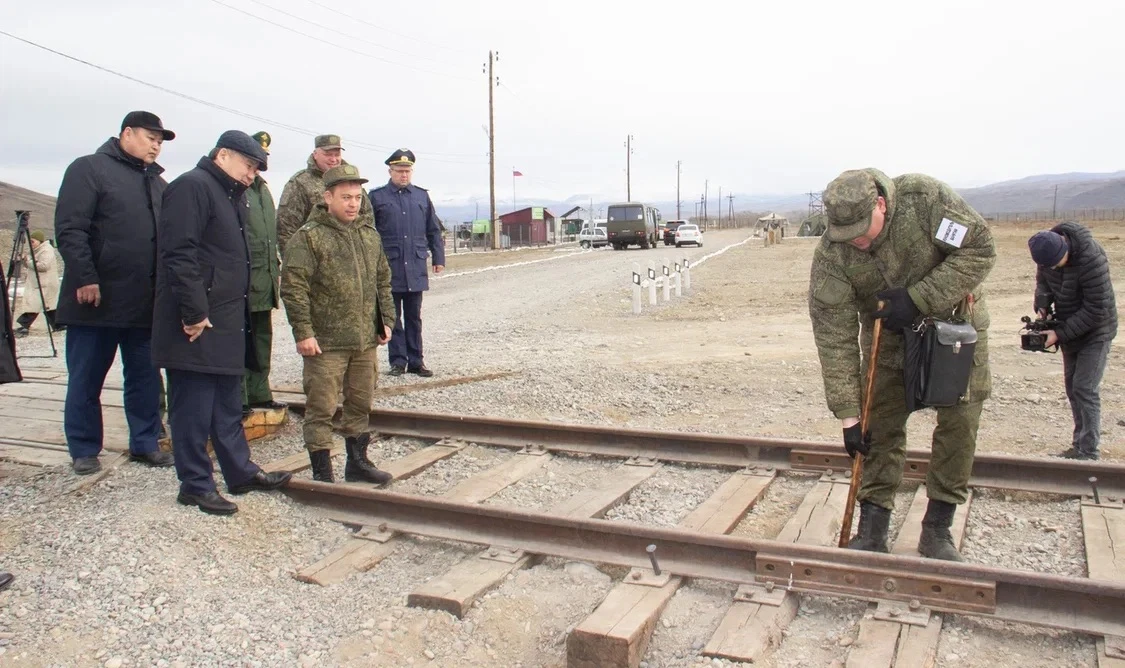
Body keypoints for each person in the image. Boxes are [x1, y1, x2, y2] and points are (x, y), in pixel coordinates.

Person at [808, 168, 996, 562]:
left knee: (959, 427)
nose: (856, 241)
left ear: (880, 203)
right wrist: (849, 416)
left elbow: (979, 249)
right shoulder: (832, 253)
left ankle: (937, 528)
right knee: (878, 431)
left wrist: (918, 298)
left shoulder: (924, 201)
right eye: (846, 234)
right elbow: (834, 334)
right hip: (887, 341)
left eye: (862, 230)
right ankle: (873, 529)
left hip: (954, 332)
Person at [153, 131, 291, 515]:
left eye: (256, 169)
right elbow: (179, 254)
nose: (252, 174)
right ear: (223, 155)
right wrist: (194, 312)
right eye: (249, 165)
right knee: (193, 408)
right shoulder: (192, 187)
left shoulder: (232, 194)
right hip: (198, 322)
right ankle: (195, 485)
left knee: (228, 405)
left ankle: (240, 472)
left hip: (228, 318)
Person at [54, 111, 177, 475]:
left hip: (143, 303)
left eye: (160, 141)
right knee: (86, 378)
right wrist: (85, 277)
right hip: (96, 300)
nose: (156, 146)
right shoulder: (89, 169)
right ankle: (84, 448)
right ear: (126, 133)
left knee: (144, 378)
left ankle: (145, 442)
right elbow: (71, 228)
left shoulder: (158, 183)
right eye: (150, 138)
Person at [281, 164, 396, 483]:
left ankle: (357, 463)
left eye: (357, 197)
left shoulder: (368, 235)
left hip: (363, 342)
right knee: (321, 408)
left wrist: (386, 320)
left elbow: (383, 280)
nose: (353, 204)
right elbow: (293, 288)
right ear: (327, 197)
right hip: (325, 344)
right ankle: (322, 473)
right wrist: (304, 332)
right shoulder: (309, 238)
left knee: (360, 403)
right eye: (346, 197)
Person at [1027, 223, 1117, 460]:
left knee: (1085, 388)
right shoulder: (1046, 253)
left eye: (1056, 263)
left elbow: (1097, 309)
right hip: (1068, 327)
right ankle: (1078, 447)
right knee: (1072, 389)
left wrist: (1059, 334)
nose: (1052, 268)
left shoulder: (1091, 259)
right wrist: (1042, 307)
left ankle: (1089, 453)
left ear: (1064, 247)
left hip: (1097, 331)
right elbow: (1043, 282)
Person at [369, 149, 445, 377]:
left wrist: (438, 258)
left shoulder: (421, 197)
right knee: (392, 318)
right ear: (390, 171)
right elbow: (369, 233)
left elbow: (433, 229)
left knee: (414, 318)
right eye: (399, 171)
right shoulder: (377, 197)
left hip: (415, 267)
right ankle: (397, 361)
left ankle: (416, 361)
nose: (404, 175)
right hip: (388, 268)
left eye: (407, 171)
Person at [241, 131, 287, 417]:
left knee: (261, 339)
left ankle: (259, 392)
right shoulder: (237, 188)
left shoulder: (262, 190)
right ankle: (240, 398)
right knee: (240, 342)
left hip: (264, 280)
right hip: (243, 281)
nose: (259, 163)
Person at [276, 134, 373, 254]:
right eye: (328, 154)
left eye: (337, 155)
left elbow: (367, 219)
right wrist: (295, 261)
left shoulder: (352, 181)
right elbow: (286, 229)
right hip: (316, 255)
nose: (333, 159)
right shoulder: (299, 183)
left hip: (353, 256)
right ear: (315, 154)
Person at [12, 230, 60, 337]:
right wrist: (25, 260)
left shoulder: (46, 250)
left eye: (33, 241)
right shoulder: (37, 250)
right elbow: (31, 265)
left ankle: (24, 325)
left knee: (35, 305)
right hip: (40, 283)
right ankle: (58, 325)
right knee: (47, 306)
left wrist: (28, 260)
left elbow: (43, 266)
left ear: (39, 241)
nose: (31, 244)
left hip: (44, 283)